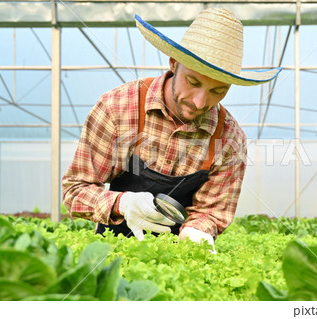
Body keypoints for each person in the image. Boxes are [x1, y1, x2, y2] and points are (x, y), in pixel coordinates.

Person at [62, 7, 281, 252]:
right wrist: (121, 203)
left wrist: (198, 230)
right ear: (174, 63)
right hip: (112, 255)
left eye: (218, 91)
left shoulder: (229, 138)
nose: (200, 102)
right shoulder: (118, 109)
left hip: (178, 255)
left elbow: (211, 212)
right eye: (193, 82)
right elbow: (75, 191)